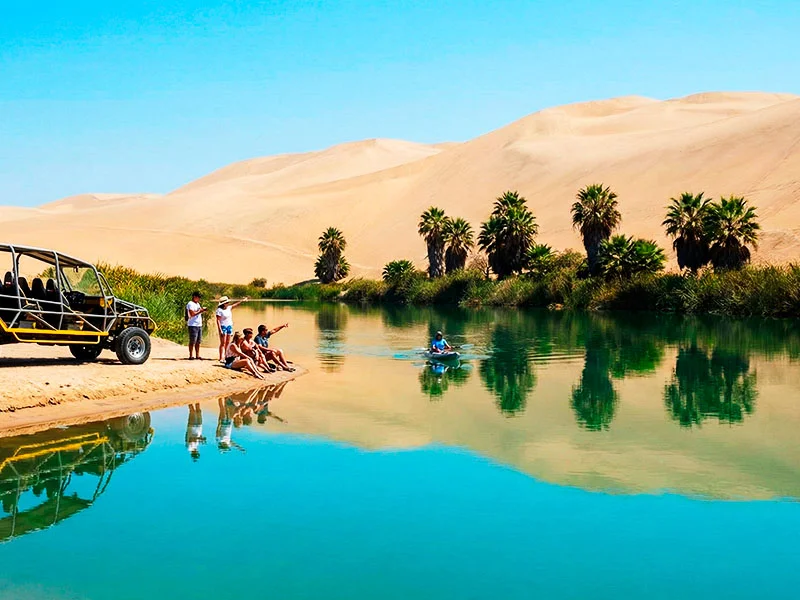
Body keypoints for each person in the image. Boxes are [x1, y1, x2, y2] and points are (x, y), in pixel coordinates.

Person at [216, 295, 249, 362]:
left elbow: (236, 304)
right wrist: (220, 330)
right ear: (223, 303)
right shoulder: (219, 310)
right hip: (223, 326)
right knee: (223, 343)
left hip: (229, 326)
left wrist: (242, 300)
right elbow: (218, 320)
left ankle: (226, 356)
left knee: (228, 343)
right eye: (227, 302)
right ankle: (221, 357)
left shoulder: (229, 308)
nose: (228, 303)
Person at [186, 291, 207, 360]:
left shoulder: (197, 304)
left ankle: (197, 355)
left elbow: (198, 312)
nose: (199, 299)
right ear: (194, 297)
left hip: (199, 324)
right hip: (192, 325)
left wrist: (202, 310)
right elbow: (192, 314)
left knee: (198, 341)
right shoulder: (190, 304)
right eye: (198, 297)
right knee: (192, 341)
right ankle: (191, 355)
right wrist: (201, 311)